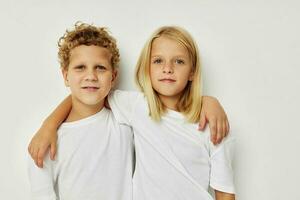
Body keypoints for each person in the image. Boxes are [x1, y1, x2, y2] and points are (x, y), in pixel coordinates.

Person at [28, 25, 233, 200]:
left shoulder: (212, 124)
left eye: (179, 61)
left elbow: (224, 190)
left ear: (192, 72)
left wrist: (209, 101)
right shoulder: (137, 108)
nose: (168, 68)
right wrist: (49, 124)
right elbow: (87, 95)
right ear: (147, 68)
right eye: (158, 61)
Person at [28, 23, 134, 200]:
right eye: (80, 67)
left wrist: (198, 103)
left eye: (100, 67)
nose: (91, 76)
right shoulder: (47, 142)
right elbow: (41, 194)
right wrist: (50, 124)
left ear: (113, 77)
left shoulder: (125, 121)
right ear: (65, 76)